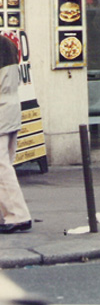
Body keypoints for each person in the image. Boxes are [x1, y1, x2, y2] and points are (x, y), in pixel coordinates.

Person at [0, 34, 32, 233]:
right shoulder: (8, 43)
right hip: (11, 108)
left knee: (1, 168)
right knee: (5, 165)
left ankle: (18, 215)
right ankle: (8, 214)